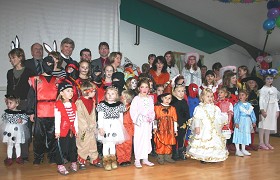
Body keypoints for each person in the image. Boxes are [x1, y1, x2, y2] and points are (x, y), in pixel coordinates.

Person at [27, 55, 58, 165]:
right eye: (47, 64)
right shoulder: (36, 79)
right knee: (38, 136)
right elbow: (31, 97)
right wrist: (31, 112)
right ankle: (38, 157)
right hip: (40, 111)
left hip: (54, 111)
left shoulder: (58, 80)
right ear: (43, 64)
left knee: (53, 135)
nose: (49, 66)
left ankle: (52, 156)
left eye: (51, 64)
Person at [7, 48, 36, 161]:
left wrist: (31, 108)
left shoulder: (29, 72)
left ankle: (23, 155)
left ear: (20, 57)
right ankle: (12, 154)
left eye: (13, 57)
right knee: (12, 130)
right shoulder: (10, 72)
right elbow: (9, 89)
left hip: (25, 104)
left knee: (24, 130)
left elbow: (32, 91)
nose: (11, 60)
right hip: (13, 105)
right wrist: (9, 103)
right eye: (10, 58)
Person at [186, 88, 228, 163]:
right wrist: (197, 127)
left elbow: (218, 117)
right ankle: (204, 156)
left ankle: (215, 156)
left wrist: (220, 124)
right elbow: (197, 118)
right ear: (202, 97)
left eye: (211, 96)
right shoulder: (199, 108)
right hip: (204, 128)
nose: (210, 98)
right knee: (204, 141)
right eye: (208, 96)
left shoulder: (216, 108)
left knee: (214, 141)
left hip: (213, 129)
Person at [97, 86, 127, 171]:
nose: (110, 95)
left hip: (115, 126)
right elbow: (100, 117)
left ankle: (113, 161)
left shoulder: (119, 105)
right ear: (105, 94)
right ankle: (106, 162)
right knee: (106, 144)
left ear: (116, 95)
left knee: (113, 144)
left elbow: (121, 117)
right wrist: (101, 127)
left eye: (112, 94)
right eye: (108, 94)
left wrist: (121, 128)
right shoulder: (102, 105)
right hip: (106, 126)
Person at [76, 81, 102, 169]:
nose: (95, 92)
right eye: (93, 90)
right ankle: (82, 160)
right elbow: (80, 116)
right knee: (83, 143)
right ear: (87, 91)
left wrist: (93, 125)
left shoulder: (92, 101)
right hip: (83, 129)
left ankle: (94, 158)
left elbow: (93, 115)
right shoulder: (79, 102)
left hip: (91, 127)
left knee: (92, 143)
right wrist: (85, 127)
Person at [130, 78, 155, 168]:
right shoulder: (136, 99)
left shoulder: (150, 99)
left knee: (147, 139)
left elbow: (152, 110)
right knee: (139, 140)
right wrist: (140, 118)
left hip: (147, 124)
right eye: (142, 87)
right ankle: (137, 159)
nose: (144, 89)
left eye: (146, 87)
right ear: (138, 88)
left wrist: (151, 117)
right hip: (139, 124)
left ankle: (145, 158)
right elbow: (133, 111)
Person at [54, 81, 78, 175]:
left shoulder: (73, 104)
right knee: (62, 147)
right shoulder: (58, 104)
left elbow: (76, 118)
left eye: (72, 91)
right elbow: (57, 119)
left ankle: (73, 162)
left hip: (71, 129)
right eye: (68, 91)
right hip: (63, 130)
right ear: (61, 93)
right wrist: (57, 131)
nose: (71, 93)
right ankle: (60, 164)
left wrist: (77, 129)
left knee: (72, 147)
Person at [2, 95, 29, 166]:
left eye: (11, 103)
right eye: (7, 103)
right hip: (10, 131)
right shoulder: (7, 112)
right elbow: (4, 118)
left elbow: (25, 119)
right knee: (10, 144)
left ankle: (18, 157)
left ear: (16, 104)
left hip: (18, 131)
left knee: (17, 144)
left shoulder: (21, 112)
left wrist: (21, 121)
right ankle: (9, 158)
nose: (8, 104)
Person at [154, 85, 178, 165]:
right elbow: (155, 119)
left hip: (169, 129)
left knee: (169, 142)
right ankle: (160, 156)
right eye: (165, 98)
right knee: (160, 142)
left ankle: (168, 156)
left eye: (169, 98)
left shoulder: (173, 108)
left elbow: (175, 120)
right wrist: (154, 128)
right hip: (160, 128)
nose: (167, 100)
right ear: (162, 98)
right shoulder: (157, 108)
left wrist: (175, 130)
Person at [258, 69, 279, 150]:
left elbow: (276, 100)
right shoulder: (263, 89)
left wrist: (277, 110)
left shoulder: (274, 89)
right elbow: (261, 100)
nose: (270, 80)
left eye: (271, 78)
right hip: (265, 108)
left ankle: (267, 142)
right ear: (264, 80)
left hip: (272, 109)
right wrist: (262, 110)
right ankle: (261, 142)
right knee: (263, 125)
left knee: (268, 126)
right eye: (268, 79)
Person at [241, 75, 264, 151]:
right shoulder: (245, 93)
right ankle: (246, 143)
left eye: (253, 83)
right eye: (249, 83)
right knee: (247, 129)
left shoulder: (257, 93)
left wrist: (260, 113)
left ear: (255, 84)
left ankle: (251, 143)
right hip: (248, 114)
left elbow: (259, 104)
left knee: (253, 129)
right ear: (247, 84)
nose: (251, 84)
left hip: (255, 113)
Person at [170, 77, 190, 160]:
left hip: (184, 123)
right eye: (179, 91)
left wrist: (187, 121)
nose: (181, 93)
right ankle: (174, 153)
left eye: (183, 91)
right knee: (175, 138)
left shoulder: (184, 102)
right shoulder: (173, 102)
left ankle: (181, 151)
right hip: (176, 123)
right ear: (174, 92)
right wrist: (176, 122)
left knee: (182, 138)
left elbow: (187, 112)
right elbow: (173, 114)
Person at [233, 89, 256, 157]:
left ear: (246, 96)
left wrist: (253, 121)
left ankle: (243, 149)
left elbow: (252, 114)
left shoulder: (249, 105)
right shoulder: (237, 105)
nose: (240, 96)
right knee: (238, 134)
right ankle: (237, 150)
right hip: (240, 121)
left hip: (247, 122)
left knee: (245, 134)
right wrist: (236, 122)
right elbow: (236, 114)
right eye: (239, 95)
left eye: (242, 95)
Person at [116, 90, 135, 167]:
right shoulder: (118, 107)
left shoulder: (132, 108)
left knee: (128, 144)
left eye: (122, 96)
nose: (120, 97)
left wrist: (133, 129)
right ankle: (121, 159)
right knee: (120, 144)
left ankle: (127, 158)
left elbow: (133, 119)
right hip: (120, 128)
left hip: (129, 128)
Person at [215, 86, 234, 151]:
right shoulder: (216, 103)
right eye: (218, 93)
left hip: (225, 120)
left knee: (224, 135)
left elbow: (230, 113)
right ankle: (218, 147)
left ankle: (224, 147)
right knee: (218, 134)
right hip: (218, 120)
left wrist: (228, 122)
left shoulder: (229, 103)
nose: (219, 94)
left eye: (221, 92)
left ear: (225, 94)